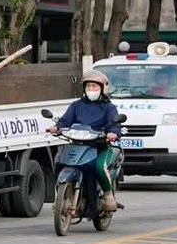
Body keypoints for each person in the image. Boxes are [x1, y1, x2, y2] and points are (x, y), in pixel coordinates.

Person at [52, 69, 124, 213]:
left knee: (98, 167)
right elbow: (65, 120)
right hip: (77, 144)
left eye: (94, 86)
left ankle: (108, 196)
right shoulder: (76, 105)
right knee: (59, 161)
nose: (91, 89)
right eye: (88, 86)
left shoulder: (109, 107)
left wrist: (112, 133)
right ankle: (64, 196)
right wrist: (56, 127)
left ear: (103, 88)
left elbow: (114, 124)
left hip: (100, 146)